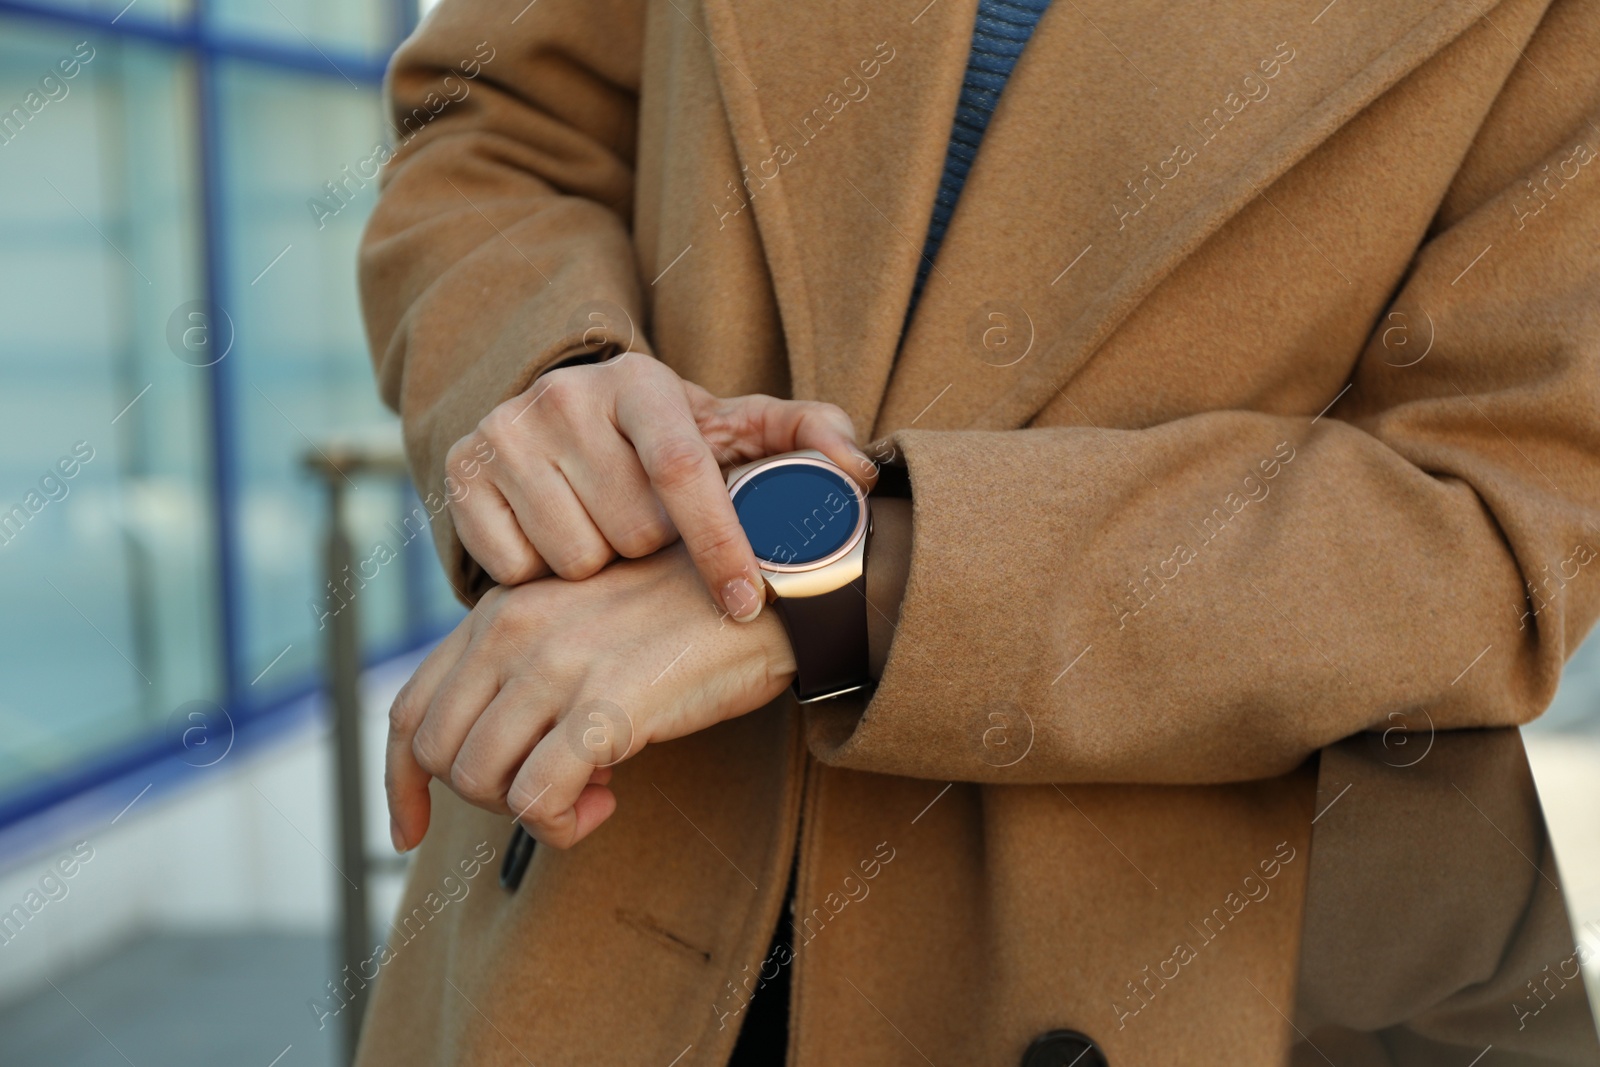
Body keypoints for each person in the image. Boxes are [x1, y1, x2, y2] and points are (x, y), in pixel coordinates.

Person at [353, 0, 1600, 1062]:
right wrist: (547, 373)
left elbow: (1494, 518)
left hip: (1178, 954)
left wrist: (839, 574)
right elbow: (495, 128)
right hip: (580, 899)